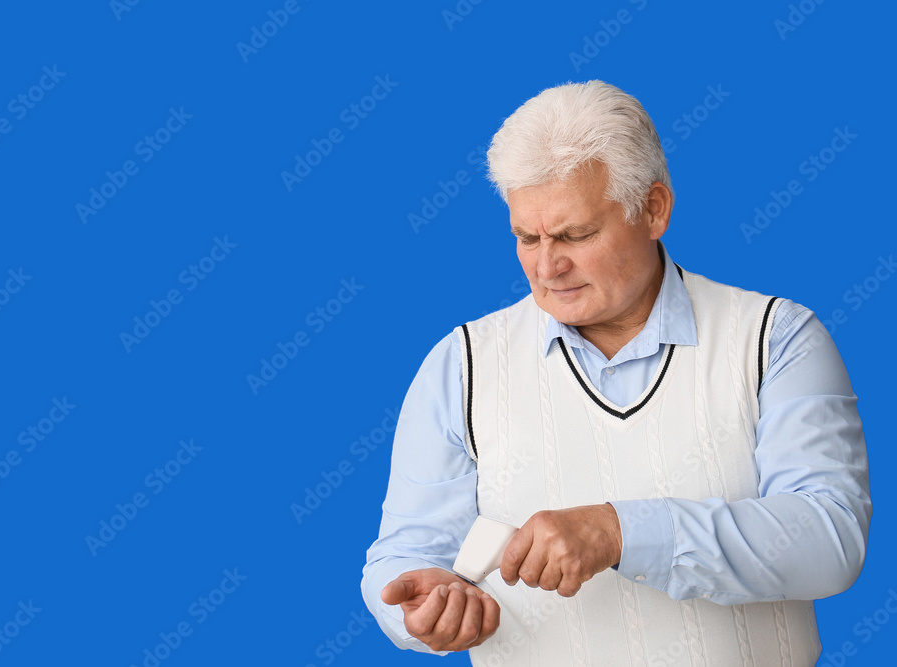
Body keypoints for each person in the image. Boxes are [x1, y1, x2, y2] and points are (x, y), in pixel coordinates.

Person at [360, 80, 871, 665]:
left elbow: (830, 538)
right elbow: (404, 556)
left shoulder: (774, 339)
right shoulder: (461, 365)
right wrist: (424, 607)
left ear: (654, 209)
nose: (547, 266)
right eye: (526, 237)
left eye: (575, 234)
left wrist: (619, 532)